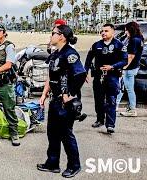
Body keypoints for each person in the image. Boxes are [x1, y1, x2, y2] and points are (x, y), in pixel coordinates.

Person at [36, 25, 86, 178]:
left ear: (62, 37)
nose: (50, 36)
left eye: (53, 33)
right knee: (52, 133)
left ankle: (74, 165)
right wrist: (44, 94)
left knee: (66, 134)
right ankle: (52, 163)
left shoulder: (70, 54)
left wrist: (69, 94)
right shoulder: (55, 54)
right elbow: (51, 77)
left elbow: (80, 74)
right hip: (55, 100)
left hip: (66, 102)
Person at [85, 24, 128, 133]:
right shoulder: (96, 45)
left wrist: (112, 66)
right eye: (102, 31)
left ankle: (110, 124)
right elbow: (89, 59)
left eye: (106, 31)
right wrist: (85, 72)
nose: (103, 33)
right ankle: (100, 119)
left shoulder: (119, 45)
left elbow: (124, 60)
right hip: (99, 76)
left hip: (112, 76)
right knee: (98, 100)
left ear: (113, 33)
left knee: (111, 100)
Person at [116, 22, 144, 117]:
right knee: (123, 87)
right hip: (134, 67)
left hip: (130, 68)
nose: (125, 31)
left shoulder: (134, 40)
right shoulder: (139, 39)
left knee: (129, 89)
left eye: (126, 29)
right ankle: (121, 106)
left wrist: (123, 67)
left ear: (130, 29)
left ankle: (132, 109)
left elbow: (131, 56)